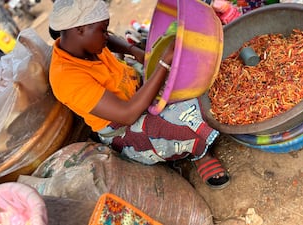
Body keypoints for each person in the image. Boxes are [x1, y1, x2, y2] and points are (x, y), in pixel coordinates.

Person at [48, 0, 230, 189]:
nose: (106, 36)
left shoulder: (81, 43)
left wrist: (135, 51)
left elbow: (108, 40)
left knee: (196, 75)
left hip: (135, 83)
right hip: (126, 127)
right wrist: (164, 64)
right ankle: (198, 154)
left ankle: (188, 141)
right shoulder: (65, 78)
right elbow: (127, 114)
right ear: (80, 29)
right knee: (189, 118)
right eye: (103, 30)